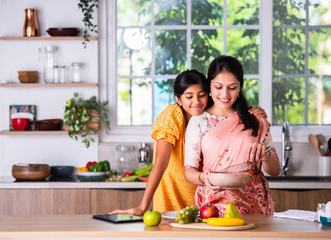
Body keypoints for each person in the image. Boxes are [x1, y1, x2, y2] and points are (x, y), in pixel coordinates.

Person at [111, 69, 267, 216]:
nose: (196, 102)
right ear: (178, 99)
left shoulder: (211, 119)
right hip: (171, 199)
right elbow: (160, 162)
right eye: (189, 96)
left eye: (202, 95)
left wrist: (252, 114)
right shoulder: (172, 115)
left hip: (202, 201)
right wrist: (143, 206)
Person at [184, 55, 281, 216]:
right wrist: (203, 178)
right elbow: (189, 172)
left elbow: (275, 171)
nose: (225, 94)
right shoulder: (199, 122)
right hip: (214, 203)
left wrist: (265, 154)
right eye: (218, 87)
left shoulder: (255, 120)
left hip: (254, 203)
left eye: (232, 87)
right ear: (209, 86)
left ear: (240, 87)